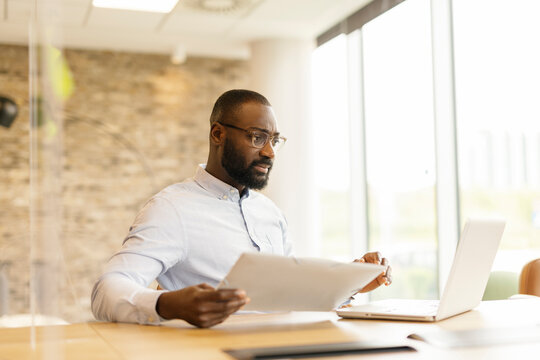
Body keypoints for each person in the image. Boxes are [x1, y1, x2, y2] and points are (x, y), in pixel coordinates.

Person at [91, 89, 392, 328]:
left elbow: (290, 294)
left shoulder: (270, 212)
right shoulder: (171, 208)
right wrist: (167, 304)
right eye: (256, 137)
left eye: (274, 139)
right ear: (218, 135)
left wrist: (351, 282)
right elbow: (107, 292)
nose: (269, 152)